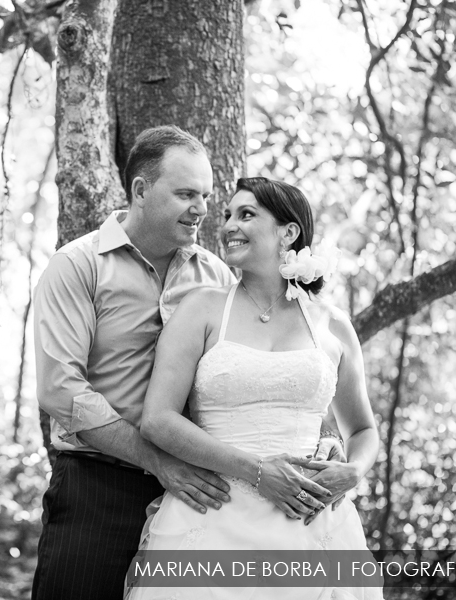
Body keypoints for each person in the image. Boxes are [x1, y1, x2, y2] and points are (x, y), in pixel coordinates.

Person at [31, 127, 341, 600]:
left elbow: (256, 371)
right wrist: (157, 460)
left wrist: (324, 442)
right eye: (185, 194)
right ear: (140, 191)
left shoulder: (216, 274)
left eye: (206, 195)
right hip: (100, 485)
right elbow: (59, 389)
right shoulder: (78, 265)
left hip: (204, 493)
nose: (201, 208)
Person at [125, 177, 382, 600]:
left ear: (289, 232)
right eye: (227, 215)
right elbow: (157, 420)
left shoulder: (332, 324)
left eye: (246, 215)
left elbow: (363, 431)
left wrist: (353, 472)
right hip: (215, 519)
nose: (228, 225)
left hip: (312, 523)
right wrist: (257, 472)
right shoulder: (201, 309)